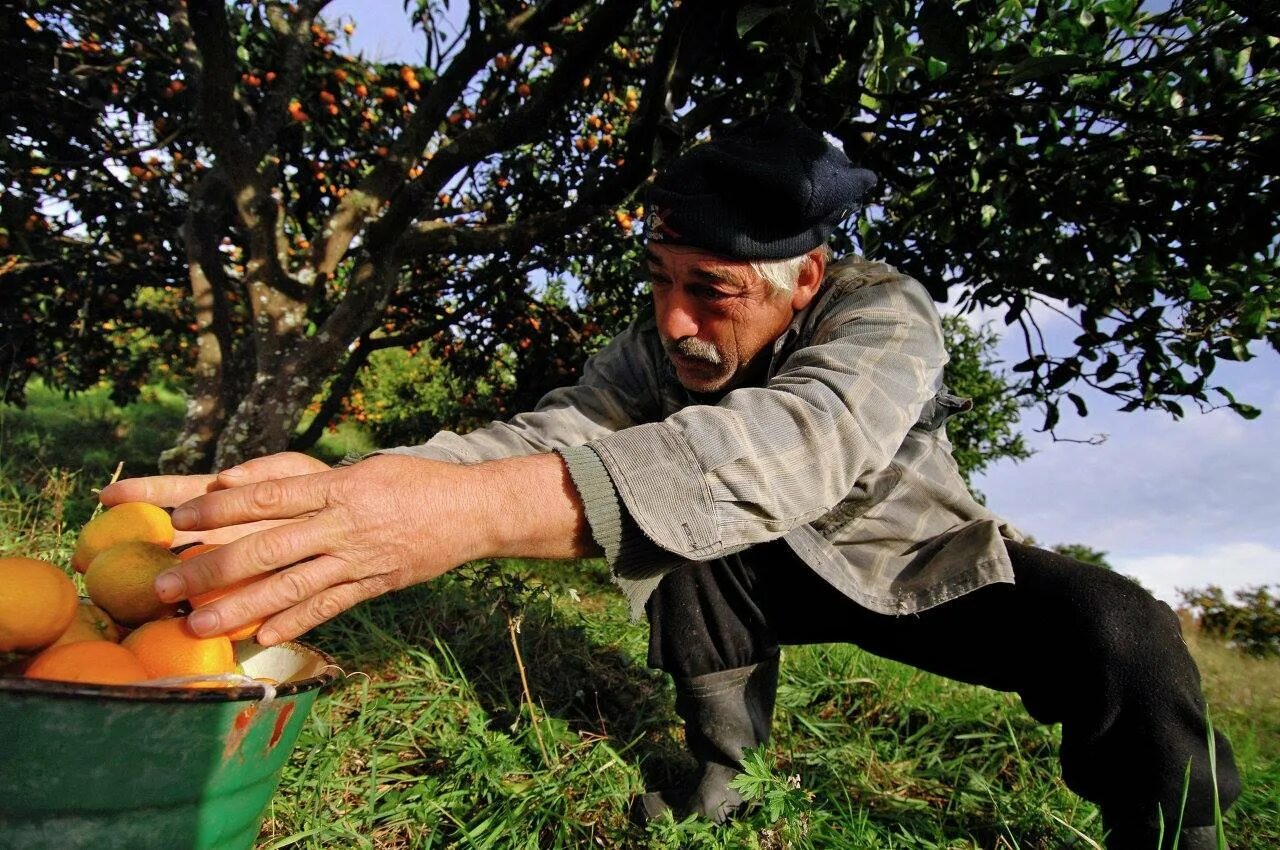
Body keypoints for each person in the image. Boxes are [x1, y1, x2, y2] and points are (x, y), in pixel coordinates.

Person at [103, 113, 1239, 849]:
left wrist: (461, 521)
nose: (676, 321)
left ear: (804, 280)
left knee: (1117, 625)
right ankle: (721, 776)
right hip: (756, 576)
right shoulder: (654, 355)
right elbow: (541, 434)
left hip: (907, 572)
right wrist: (358, 488)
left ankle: (1179, 835)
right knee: (679, 531)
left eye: (713, 290)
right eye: (658, 280)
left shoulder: (883, 315)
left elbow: (790, 443)